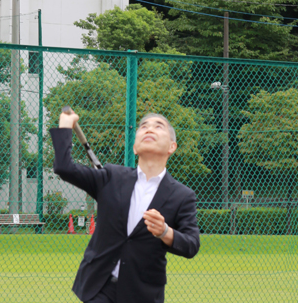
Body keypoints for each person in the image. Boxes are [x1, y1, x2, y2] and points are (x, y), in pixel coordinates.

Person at [49, 111, 201, 303]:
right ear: (135, 148)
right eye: (143, 126)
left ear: (172, 147)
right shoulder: (111, 176)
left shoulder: (182, 196)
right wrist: (65, 125)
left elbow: (191, 244)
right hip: (99, 289)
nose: (149, 129)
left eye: (158, 126)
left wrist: (165, 232)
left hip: (143, 294)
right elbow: (64, 168)